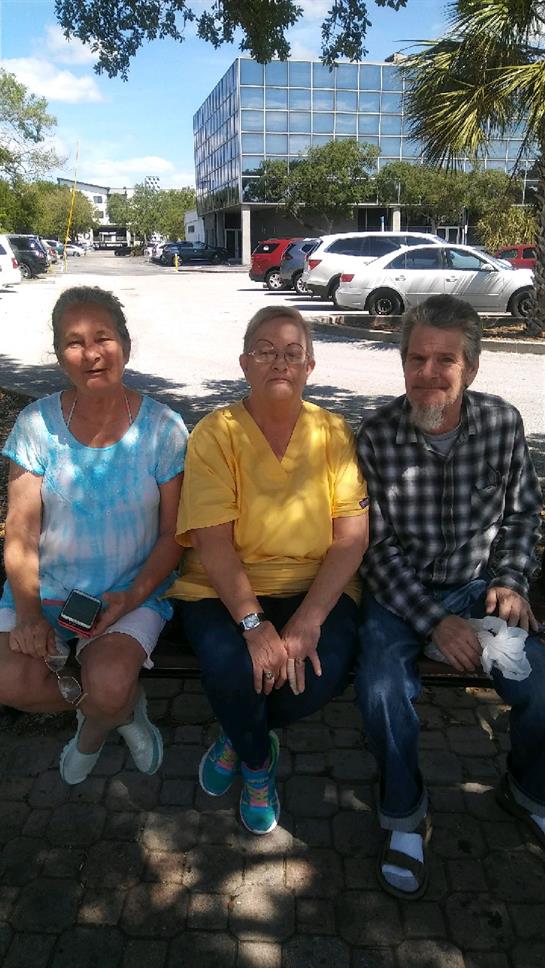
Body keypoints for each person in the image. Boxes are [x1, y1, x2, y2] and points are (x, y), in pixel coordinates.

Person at [356, 293, 545, 899]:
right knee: (382, 692)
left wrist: (511, 582)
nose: (428, 375)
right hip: (399, 595)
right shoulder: (378, 434)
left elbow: (521, 517)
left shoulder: (502, 423)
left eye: (445, 361)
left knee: (541, 684)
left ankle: (528, 789)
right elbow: (374, 547)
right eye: (416, 359)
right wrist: (436, 622)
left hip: (478, 588)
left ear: (472, 367)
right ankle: (406, 817)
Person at [171, 305, 368, 835]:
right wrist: (255, 625)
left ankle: (237, 736)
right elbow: (212, 541)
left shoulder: (333, 433)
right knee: (233, 667)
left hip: (317, 587)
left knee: (317, 680)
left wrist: (306, 621)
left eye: (291, 353)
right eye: (265, 351)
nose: (279, 362)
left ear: (310, 366)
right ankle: (258, 764)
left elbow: (351, 538)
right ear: (244, 363)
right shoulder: (216, 433)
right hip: (223, 587)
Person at [0, 285, 187, 784]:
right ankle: (124, 709)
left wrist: (130, 597)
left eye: (102, 337)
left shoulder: (164, 429)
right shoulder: (36, 425)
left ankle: (96, 726)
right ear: (59, 355)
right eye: (73, 342)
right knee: (10, 680)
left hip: (130, 591)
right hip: (49, 590)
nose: (90, 353)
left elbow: (174, 534)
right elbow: (20, 529)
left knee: (106, 682)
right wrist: (26, 613)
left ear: (124, 343)